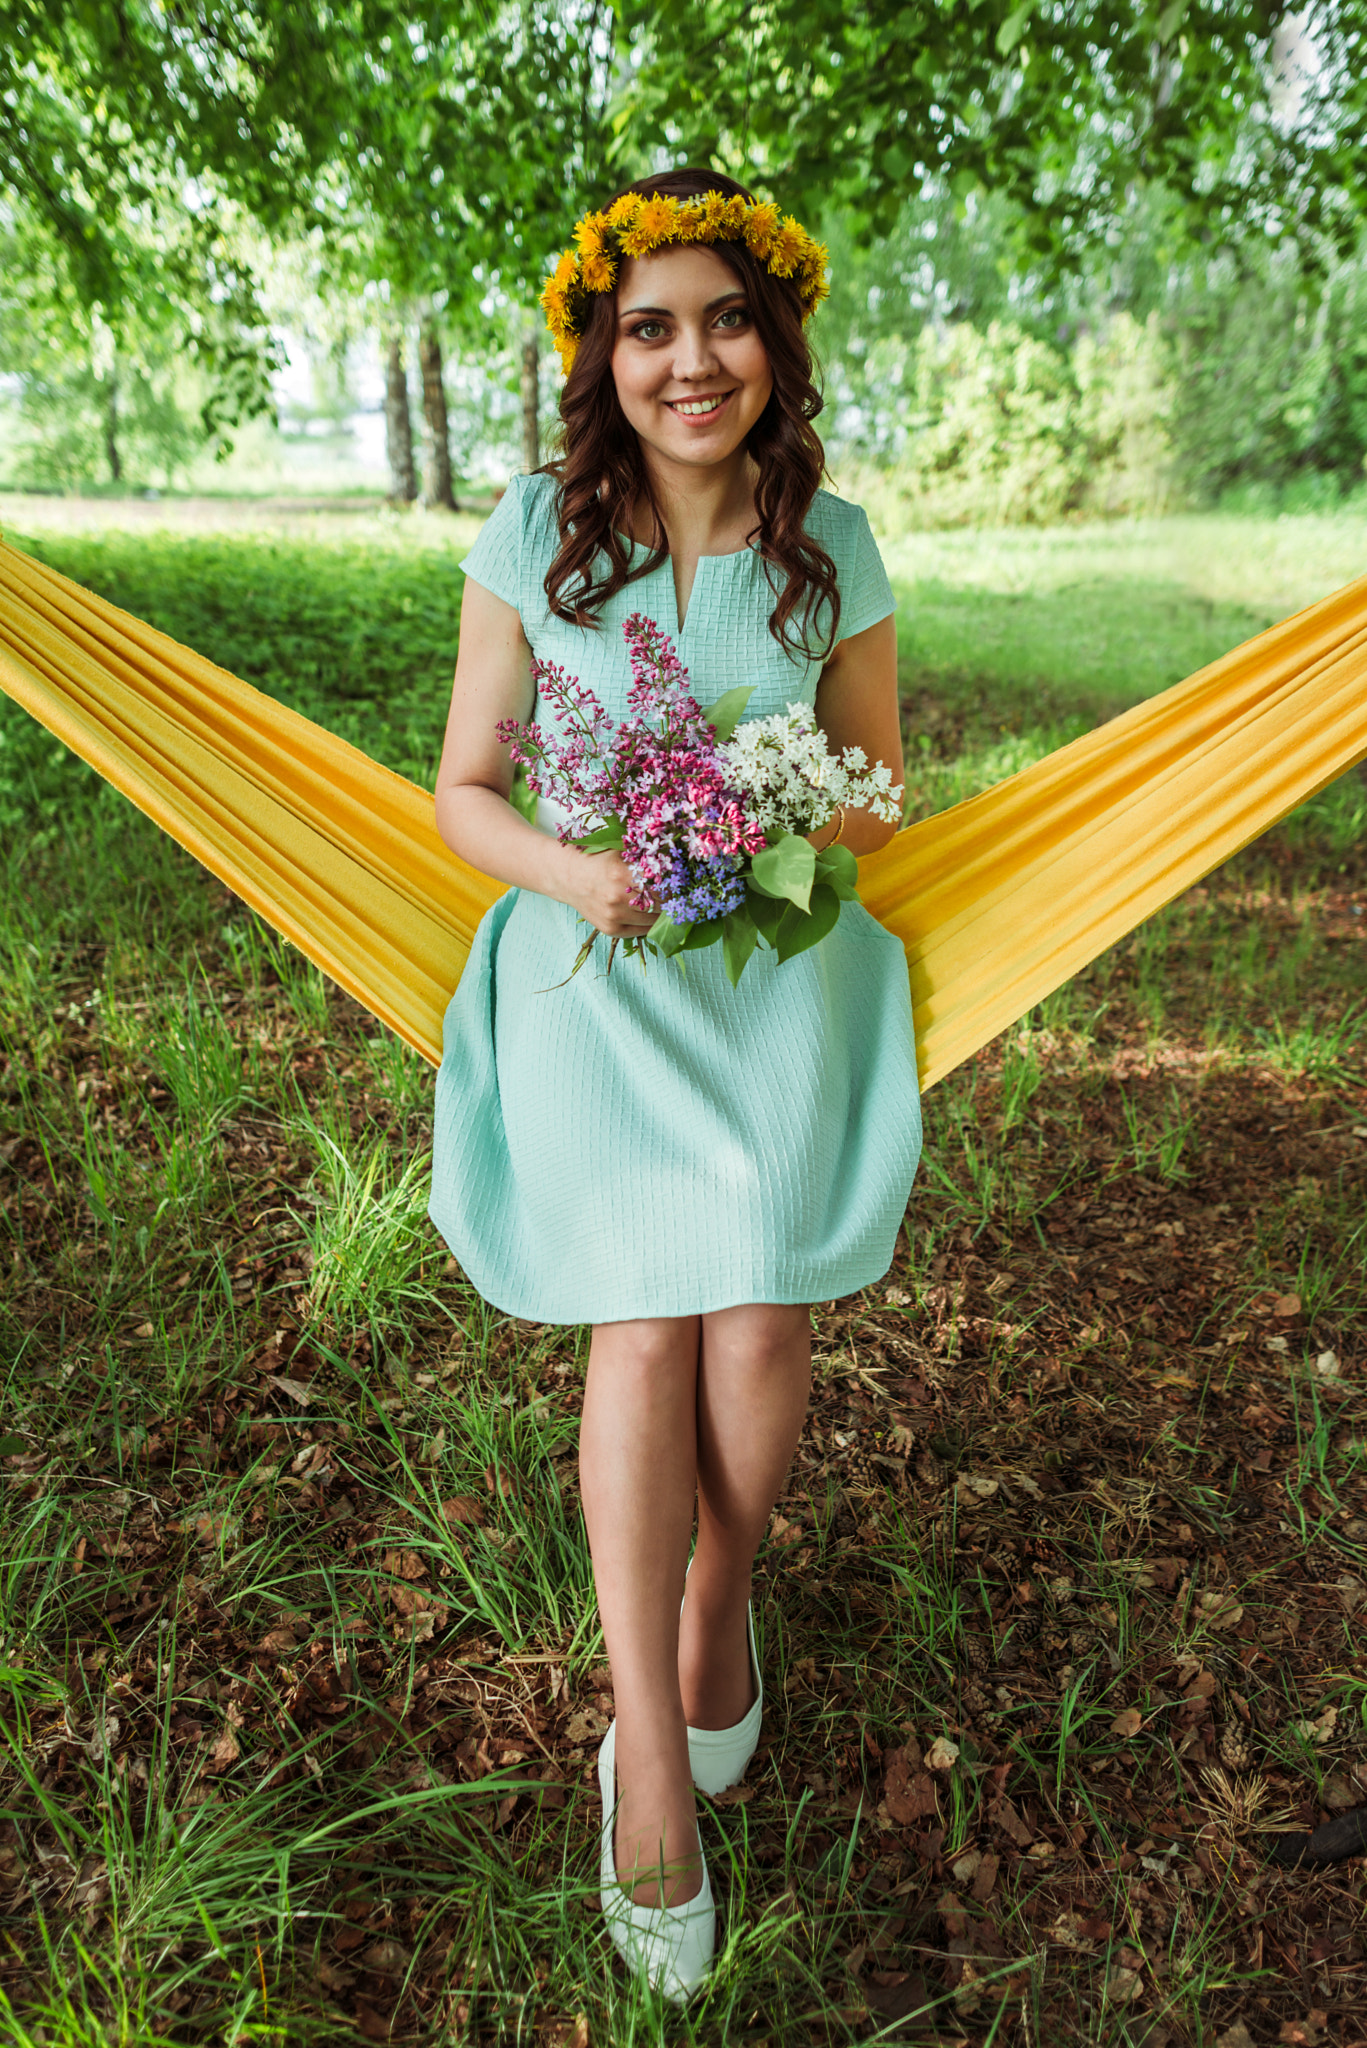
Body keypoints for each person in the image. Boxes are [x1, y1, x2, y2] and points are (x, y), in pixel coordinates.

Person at [429, 168, 922, 2001]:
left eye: (725, 320)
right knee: (640, 1334)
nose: (689, 359)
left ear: (773, 343)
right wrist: (602, 866)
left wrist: (747, 792)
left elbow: (878, 786)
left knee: (760, 1327)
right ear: (603, 351)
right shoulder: (535, 536)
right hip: (598, 979)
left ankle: (725, 1607)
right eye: (650, 327)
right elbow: (466, 789)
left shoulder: (837, 541)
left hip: (778, 982)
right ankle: (651, 1749)